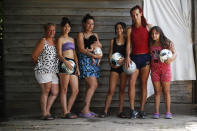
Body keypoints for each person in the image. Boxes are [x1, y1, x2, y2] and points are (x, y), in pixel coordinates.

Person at [125, 5, 152, 118]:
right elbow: (129, 44)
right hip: (134, 59)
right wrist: (127, 56)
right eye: (133, 15)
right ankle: (132, 110)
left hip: (146, 58)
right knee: (131, 82)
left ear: (141, 13)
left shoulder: (148, 27)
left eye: (137, 14)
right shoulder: (130, 29)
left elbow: (156, 40)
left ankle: (141, 110)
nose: (135, 17)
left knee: (143, 84)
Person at [100, 22, 128, 118]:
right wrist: (111, 64)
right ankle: (105, 111)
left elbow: (129, 54)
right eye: (117, 28)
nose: (119, 30)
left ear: (123, 29)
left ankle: (120, 111)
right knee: (111, 90)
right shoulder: (113, 40)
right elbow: (110, 53)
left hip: (124, 67)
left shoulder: (127, 40)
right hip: (114, 68)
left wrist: (123, 60)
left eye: (120, 28)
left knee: (122, 90)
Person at [32, 23, 59, 120]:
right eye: (49, 30)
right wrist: (42, 65)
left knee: (55, 92)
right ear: (45, 31)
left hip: (53, 71)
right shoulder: (43, 41)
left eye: (54, 30)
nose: (52, 32)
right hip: (43, 70)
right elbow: (34, 56)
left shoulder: (55, 41)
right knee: (46, 91)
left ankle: (47, 112)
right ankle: (44, 114)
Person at [149, 26, 177, 119]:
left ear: (160, 34)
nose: (154, 35)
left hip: (165, 70)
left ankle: (168, 112)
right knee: (157, 92)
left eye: (156, 33)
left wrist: (171, 59)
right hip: (155, 71)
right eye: (152, 33)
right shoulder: (150, 44)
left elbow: (175, 53)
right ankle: (156, 112)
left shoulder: (166, 43)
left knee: (166, 91)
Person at [77, 14, 102, 118]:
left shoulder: (95, 34)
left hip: (94, 62)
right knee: (93, 85)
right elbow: (81, 49)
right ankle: (84, 110)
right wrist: (92, 54)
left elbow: (99, 45)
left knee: (89, 86)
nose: (91, 26)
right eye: (88, 23)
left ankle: (86, 109)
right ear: (84, 24)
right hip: (84, 61)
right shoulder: (80, 35)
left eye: (92, 24)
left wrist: (96, 49)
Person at [56, 17, 80, 119]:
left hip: (73, 64)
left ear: (70, 28)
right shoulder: (60, 39)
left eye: (68, 26)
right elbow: (59, 54)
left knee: (75, 90)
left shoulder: (72, 39)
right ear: (62, 28)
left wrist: (77, 67)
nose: (67, 28)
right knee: (64, 89)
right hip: (64, 64)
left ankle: (67, 111)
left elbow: (74, 54)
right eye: (65, 26)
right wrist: (65, 62)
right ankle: (65, 112)